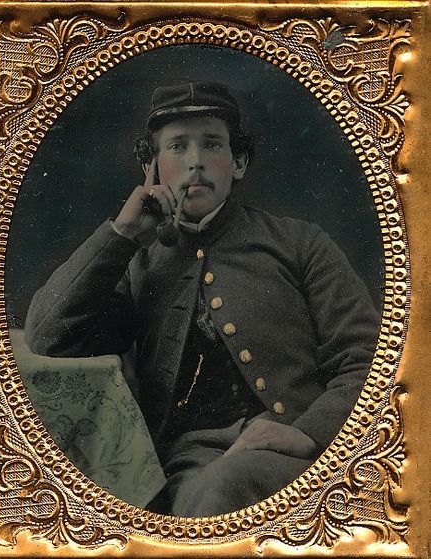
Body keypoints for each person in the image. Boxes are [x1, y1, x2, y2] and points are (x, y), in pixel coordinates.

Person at [25, 81, 379, 517]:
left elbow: (368, 359)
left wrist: (309, 433)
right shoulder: (138, 263)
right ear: (152, 167)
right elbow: (47, 336)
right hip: (190, 460)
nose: (195, 162)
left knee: (219, 492)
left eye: (212, 144)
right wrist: (121, 235)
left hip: (299, 451)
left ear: (239, 162)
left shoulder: (299, 243)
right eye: (177, 147)